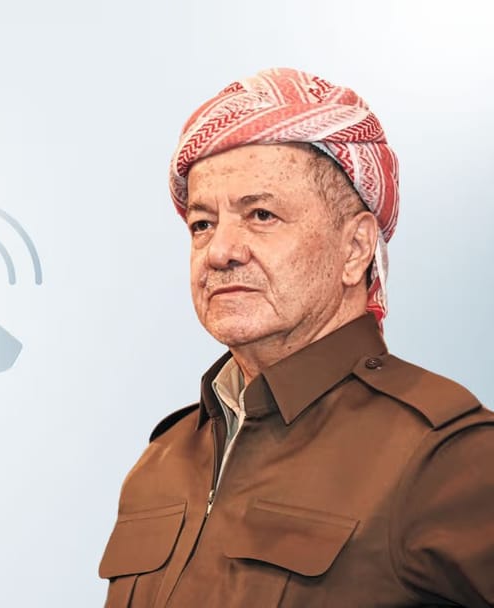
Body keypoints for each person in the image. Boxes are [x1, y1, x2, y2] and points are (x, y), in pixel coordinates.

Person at [97, 68, 493, 607]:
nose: (220, 252)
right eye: (202, 224)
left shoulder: (446, 456)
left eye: (261, 215)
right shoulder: (161, 462)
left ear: (355, 248)